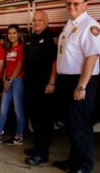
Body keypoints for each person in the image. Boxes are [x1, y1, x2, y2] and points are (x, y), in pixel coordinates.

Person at [53, 0, 100, 173]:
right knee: (71, 124)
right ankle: (73, 161)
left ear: (85, 5)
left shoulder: (90, 26)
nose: (71, 7)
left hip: (81, 81)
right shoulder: (70, 25)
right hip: (67, 81)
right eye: (68, 4)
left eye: (76, 3)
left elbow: (92, 57)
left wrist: (81, 86)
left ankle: (85, 165)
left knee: (81, 124)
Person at [23, 11, 57, 166]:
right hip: (31, 85)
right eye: (34, 20)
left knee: (44, 120)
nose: (37, 22)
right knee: (35, 118)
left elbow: (56, 62)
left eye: (40, 20)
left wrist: (51, 83)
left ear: (47, 21)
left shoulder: (52, 39)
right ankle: (37, 147)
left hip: (44, 87)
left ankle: (42, 154)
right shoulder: (30, 38)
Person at [0, 24, 25, 145]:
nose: (12, 36)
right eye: (9, 33)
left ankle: (18, 136)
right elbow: (5, 67)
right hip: (8, 82)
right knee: (3, 109)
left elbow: (19, 66)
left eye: (14, 33)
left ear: (18, 34)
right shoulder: (8, 49)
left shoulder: (21, 48)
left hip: (17, 81)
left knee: (18, 110)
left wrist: (10, 80)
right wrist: (4, 80)